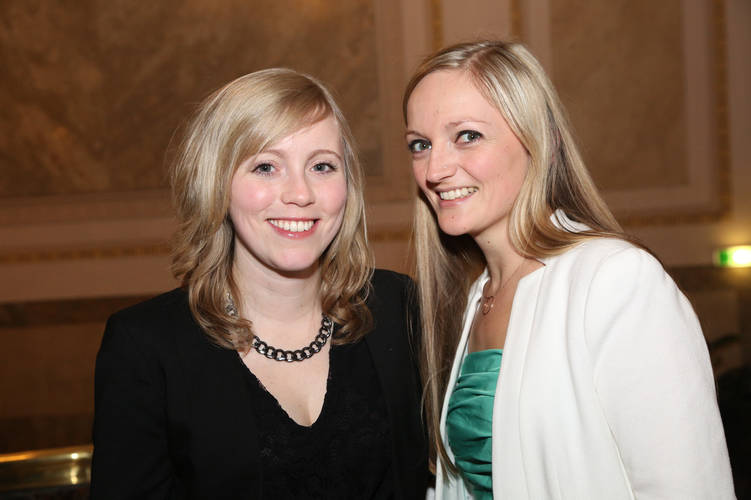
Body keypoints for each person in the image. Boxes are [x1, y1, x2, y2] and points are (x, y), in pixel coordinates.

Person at [404, 40, 735, 499]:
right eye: (420, 145)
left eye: (467, 136)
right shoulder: (478, 297)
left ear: (539, 141)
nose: (435, 169)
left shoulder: (616, 280)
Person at [91, 68, 427, 499]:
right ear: (217, 184)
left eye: (322, 166)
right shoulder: (146, 347)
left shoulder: (400, 308)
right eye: (266, 167)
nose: (300, 193)